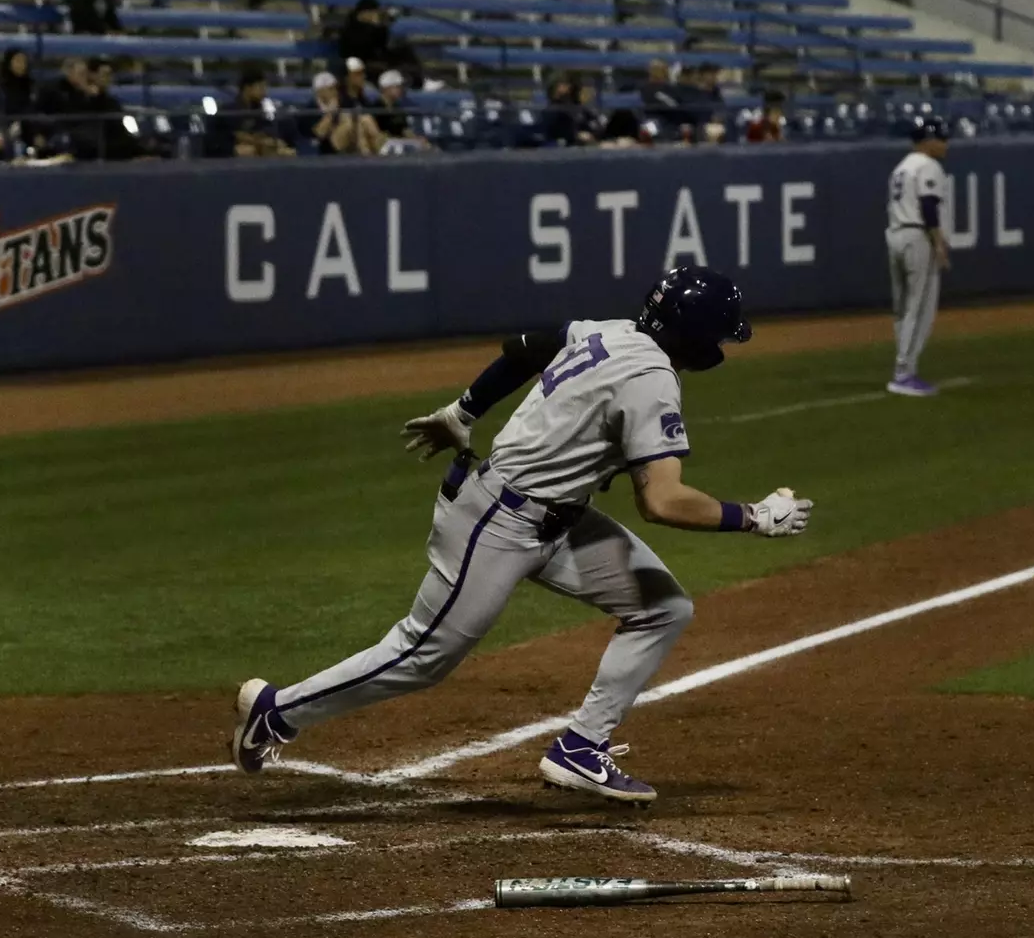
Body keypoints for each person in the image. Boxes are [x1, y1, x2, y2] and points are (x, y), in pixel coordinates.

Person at [231, 267, 813, 803]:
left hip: (559, 520)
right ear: (695, 336)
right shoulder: (652, 379)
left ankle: (581, 748)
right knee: (423, 655)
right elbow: (661, 500)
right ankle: (276, 711)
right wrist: (755, 517)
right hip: (496, 521)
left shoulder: (605, 329)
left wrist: (466, 409)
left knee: (663, 607)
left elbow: (527, 348)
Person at [885, 114, 951, 397]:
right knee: (919, 308)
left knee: (902, 308)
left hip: (895, 235)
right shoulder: (928, 165)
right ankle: (904, 373)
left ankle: (904, 367)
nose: (946, 144)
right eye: (942, 138)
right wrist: (938, 242)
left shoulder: (901, 167)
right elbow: (928, 205)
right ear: (928, 141)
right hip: (917, 236)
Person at [205, 66, 293, 159]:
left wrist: (274, 141)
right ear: (248, 88)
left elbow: (265, 130)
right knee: (248, 151)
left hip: (252, 146)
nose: (264, 92)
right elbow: (237, 135)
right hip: (224, 150)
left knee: (284, 151)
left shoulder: (257, 108)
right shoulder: (231, 109)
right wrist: (261, 142)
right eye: (261, 87)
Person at [0, 48, 37, 119]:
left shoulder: (30, 84)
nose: (22, 65)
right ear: (8, 63)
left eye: (24, 61)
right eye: (18, 61)